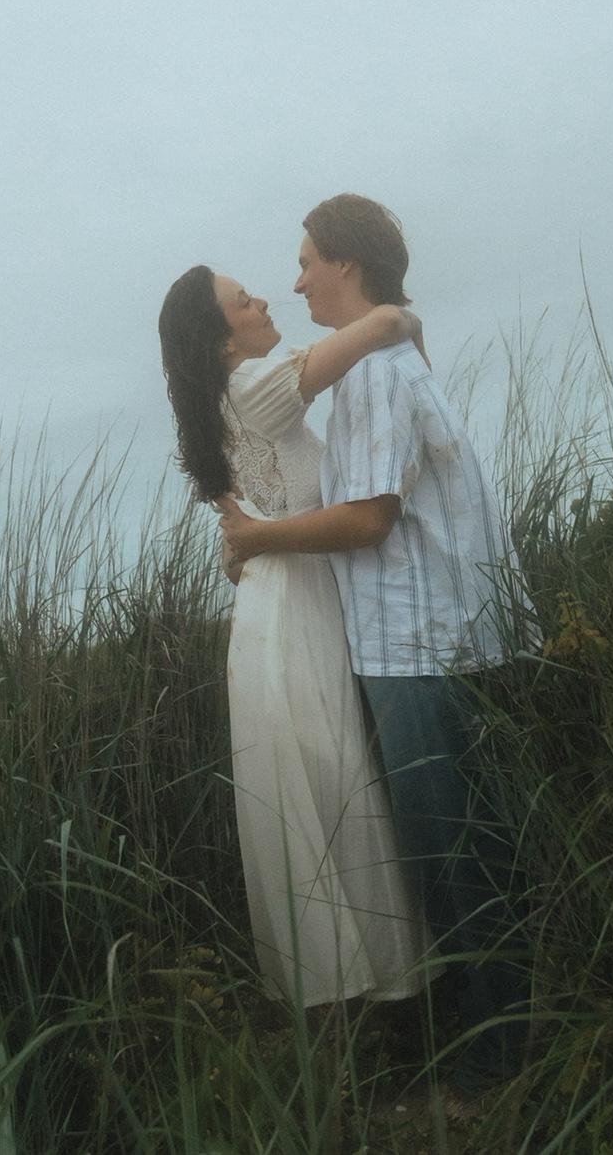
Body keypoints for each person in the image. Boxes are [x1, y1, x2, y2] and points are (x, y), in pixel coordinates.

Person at [217, 194, 527, 1087]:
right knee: (462, 845)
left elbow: (368, 519)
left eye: (306, 262)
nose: (296, 282)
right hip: (430, 634)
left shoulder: (373, 376)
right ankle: (490, 1040)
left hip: (417, 641)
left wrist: (256, 538)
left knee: (453, 856)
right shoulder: (382, 362)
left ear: (345, 263)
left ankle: (495, 1063)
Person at [158, 264, 439, 1009]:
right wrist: (406, 328)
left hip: (275, 607)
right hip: (296, 611)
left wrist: (247, 546)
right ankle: (381, 995)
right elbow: (383, 324)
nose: (264, 301)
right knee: (339, 783)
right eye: (242, 301)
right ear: (222, 342)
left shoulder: (222, 404)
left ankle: (352, 1000)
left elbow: (250, 525)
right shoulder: (254, 385)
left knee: (320, 786)